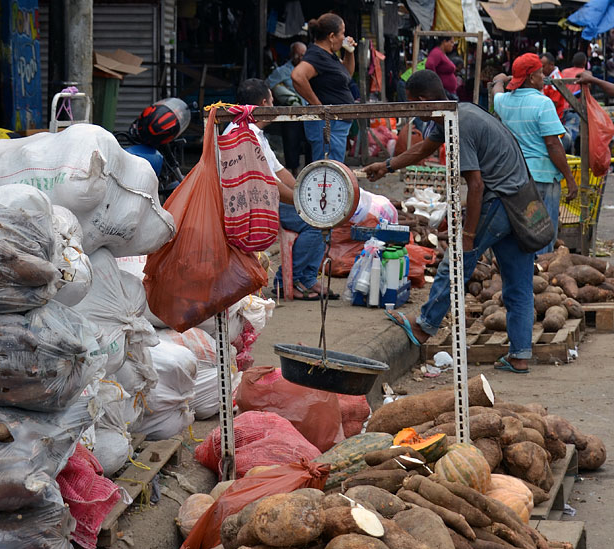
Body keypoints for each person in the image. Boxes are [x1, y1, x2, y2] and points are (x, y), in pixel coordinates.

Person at [364, 70, 536, 373]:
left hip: (499, 202)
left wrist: (468, 234)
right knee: (518, 285)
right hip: (519, 203)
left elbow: (477, 184)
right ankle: (520, 355)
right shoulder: (455, 112)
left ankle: (425, 325)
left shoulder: (460, 123)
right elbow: (423, 149)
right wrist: (387, 165)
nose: (412, 112)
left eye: (411, 105)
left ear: (421, 100)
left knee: (456, 261)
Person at [229, 79, 327, 301]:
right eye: (273, 101)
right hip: (252, 204)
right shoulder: (244, 133)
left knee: (320, 215)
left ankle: (306, 279)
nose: (275, 105)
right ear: (265, 103)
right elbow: (267, 183)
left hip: (267, 198)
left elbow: (280, 172)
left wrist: (304, 194)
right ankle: (292, 281)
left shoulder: (255, 132)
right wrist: (302, 204)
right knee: (315, 222)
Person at [492, 54, 578, 254]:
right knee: (543, 234)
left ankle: (526, 273)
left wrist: (500, 79)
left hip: (517, 177)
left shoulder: (504, 102)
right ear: (531, 78)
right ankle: (541, 275)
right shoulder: (543, 103)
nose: (543, 77)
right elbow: (553, 144)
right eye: (540, 73)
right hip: (543, 178)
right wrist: (569, 178)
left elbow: (497, 91)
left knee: (523, 230)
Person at [291, 13, 356, 162]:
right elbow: (297, 76)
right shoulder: (317, 55)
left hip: (335, 125)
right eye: (342, 33)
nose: (344, 37)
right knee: (326, 172)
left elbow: (346, 75)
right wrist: (318, 106)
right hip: (327, 124)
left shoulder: (329, 56)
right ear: (332, 36)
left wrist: (349, 52)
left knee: (333, 169)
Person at [266, 42, 310, 174]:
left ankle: (309, 170)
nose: (301, 58)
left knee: (310, 142)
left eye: (304, 55)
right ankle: (293, 172)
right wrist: (281, 94)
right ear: (292, 55)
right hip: (292, 113)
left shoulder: (309, 69)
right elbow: (267, 85)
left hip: (309, 111)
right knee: (291, 141)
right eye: (298, 55)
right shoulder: (282, 71)